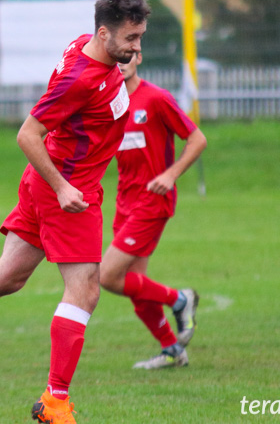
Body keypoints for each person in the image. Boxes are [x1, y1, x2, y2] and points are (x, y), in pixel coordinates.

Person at [0, 0, 150, 424]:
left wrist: (120, 66)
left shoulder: (89, 45)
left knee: (8, 275)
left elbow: (102, 80)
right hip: (68, 188)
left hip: (52, 182)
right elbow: (28, 134)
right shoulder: (80, 79)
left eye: (140, 37)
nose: (137, 47)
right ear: (104, 34)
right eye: (131, 38)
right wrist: (63, 188)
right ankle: (55, 401)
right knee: (84, 290)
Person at [98, 52, 207, 370]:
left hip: (152, 202)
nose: (121, 60)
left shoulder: (157, 98)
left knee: (107, 276)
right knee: (135, 285)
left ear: (140, 57)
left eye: (128, 53)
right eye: (115, 55)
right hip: (124, 203)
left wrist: (171, 174)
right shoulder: (112, 105)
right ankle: (172, 350)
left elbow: (197, 139)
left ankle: (180, 299)